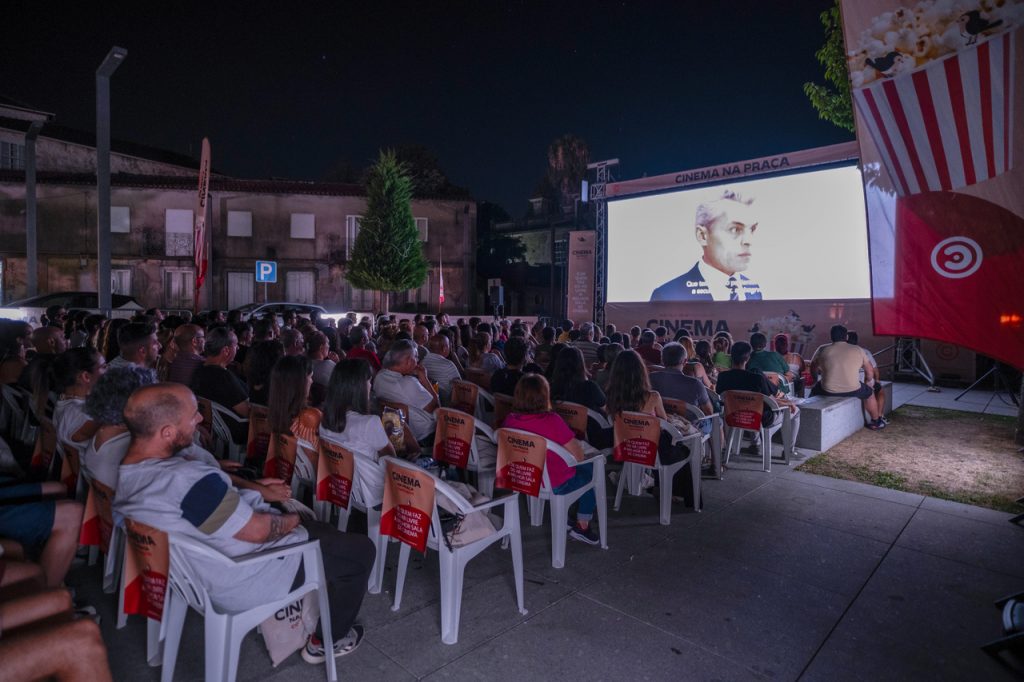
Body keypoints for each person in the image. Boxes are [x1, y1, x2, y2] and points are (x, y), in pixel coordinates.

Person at [113, 383, 375, 664]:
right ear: (167, 432)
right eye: (193, 416)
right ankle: (325, 641)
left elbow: (212, 501)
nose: (200, 419)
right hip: (248, 574)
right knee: (361, 551)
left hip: (196, 573)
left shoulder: (130, 474)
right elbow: (259, 531)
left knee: (325, 535)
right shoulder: (185, 481)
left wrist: (250, 488)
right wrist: (297, 516)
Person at [502, 374, 599, 545]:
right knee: (592, 469)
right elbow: (578, 455)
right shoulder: (552, 421)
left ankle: (572, 515)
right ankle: (582, 524)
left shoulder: (509, 420)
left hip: (525, 477)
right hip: (554, 483)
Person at [320, 360, 418, 504]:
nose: (370, 386)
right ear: (358, 388)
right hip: (374, 490)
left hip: (345, 486)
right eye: (368, 382)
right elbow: (392, 460)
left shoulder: (324, 420)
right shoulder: (369, 422)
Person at [650, 190, 764, 301]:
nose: (749, 241)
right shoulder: (666, 296)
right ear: (702, 236)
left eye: (752, 229)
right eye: (735, 229)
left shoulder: (754, 292)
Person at [810, 325, 884, 430]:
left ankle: (807, 415)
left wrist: (814, 379)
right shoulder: (858, 349)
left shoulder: (822, 349)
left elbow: (813, 367)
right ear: (846, 337)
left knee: (814, 390)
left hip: (827, 390)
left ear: (831, 337)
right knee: (870, 393)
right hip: (853, 389)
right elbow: (869, 371)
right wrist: (869, 381)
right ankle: (876, 421)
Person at [190, 326, 250, 443]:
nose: (238, 348)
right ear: (226, 350)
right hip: (235, 429)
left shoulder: (199, 369)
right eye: (235, 345)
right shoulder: (222, 377)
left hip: (216, 428)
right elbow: (245, 410)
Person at [372, 339, 439, 441]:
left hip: (396, 434)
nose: (418, 360)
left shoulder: (379, 376)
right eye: (416, 357)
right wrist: (424, 378)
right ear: (408, 361)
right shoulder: (409, 382)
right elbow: (435, 406)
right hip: (425, 435)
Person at [50, 348, 106, 463]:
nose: (108, 371)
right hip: (88, 478)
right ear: (86, 376)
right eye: (103, 367)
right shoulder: (80, 413)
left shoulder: (64, 399)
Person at [267, 355, 322, 452]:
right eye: (310, 377)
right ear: (300, 383)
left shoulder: (274, 413)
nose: (312, 381)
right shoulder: (311, 417)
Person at [650, 342, 714, 419]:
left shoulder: (650, 378)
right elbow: (709, 412)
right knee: (718, 420)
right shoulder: (695, 384)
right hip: (690, 427)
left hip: (661, 424)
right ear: (685, 361)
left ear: (662, 360)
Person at [421, 334, 463, 403]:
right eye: (449, 346)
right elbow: (459, 386)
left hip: (430, 399)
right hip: (447, 402)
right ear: (444, 349)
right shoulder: (448, 365)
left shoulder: (423, 362)